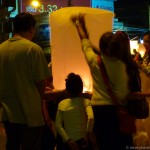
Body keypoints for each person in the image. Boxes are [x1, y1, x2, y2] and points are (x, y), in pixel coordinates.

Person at [71, 15, 131, 150]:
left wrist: (78, 24)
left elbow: (84, 41)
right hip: (115, 111)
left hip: (98, 110)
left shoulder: (93, 60)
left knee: (104, 144)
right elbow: (122, 93)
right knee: (121, 144)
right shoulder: (120, 66)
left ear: (101, 47)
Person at [0, 12, 51, 150]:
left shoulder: (1, 49)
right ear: (31, 28)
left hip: (8, 113)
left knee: (12, 145)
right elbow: (41, 82)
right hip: (30, 114)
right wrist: (39, 98)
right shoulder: (33, 49)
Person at [55, 73, 94, 150]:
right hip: (84, 141)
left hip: (68, 144)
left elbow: (58, 125)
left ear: (67, 89)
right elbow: (91, 118)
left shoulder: (62, 104)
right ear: (81, 88)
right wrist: (88, 135)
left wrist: (68, 140)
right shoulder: (86, 102)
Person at [135, 31, 150, 144]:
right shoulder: (146, 57)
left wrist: (139, 66)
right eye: (144, 41)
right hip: (145, 99)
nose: (145, 44)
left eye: (148, 41)